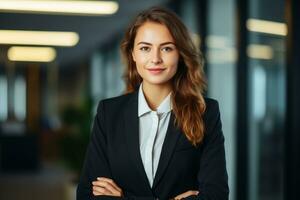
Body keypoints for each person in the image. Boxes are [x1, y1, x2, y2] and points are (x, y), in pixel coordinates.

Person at [77, 6, 228, 200]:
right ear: (132, 54)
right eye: (145, 48)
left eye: (166, 48)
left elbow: (216, 195)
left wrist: (124, 197)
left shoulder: (205, 112)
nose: (155, 59)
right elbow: (87, 194)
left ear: (180, 54)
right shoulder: (109, 113)